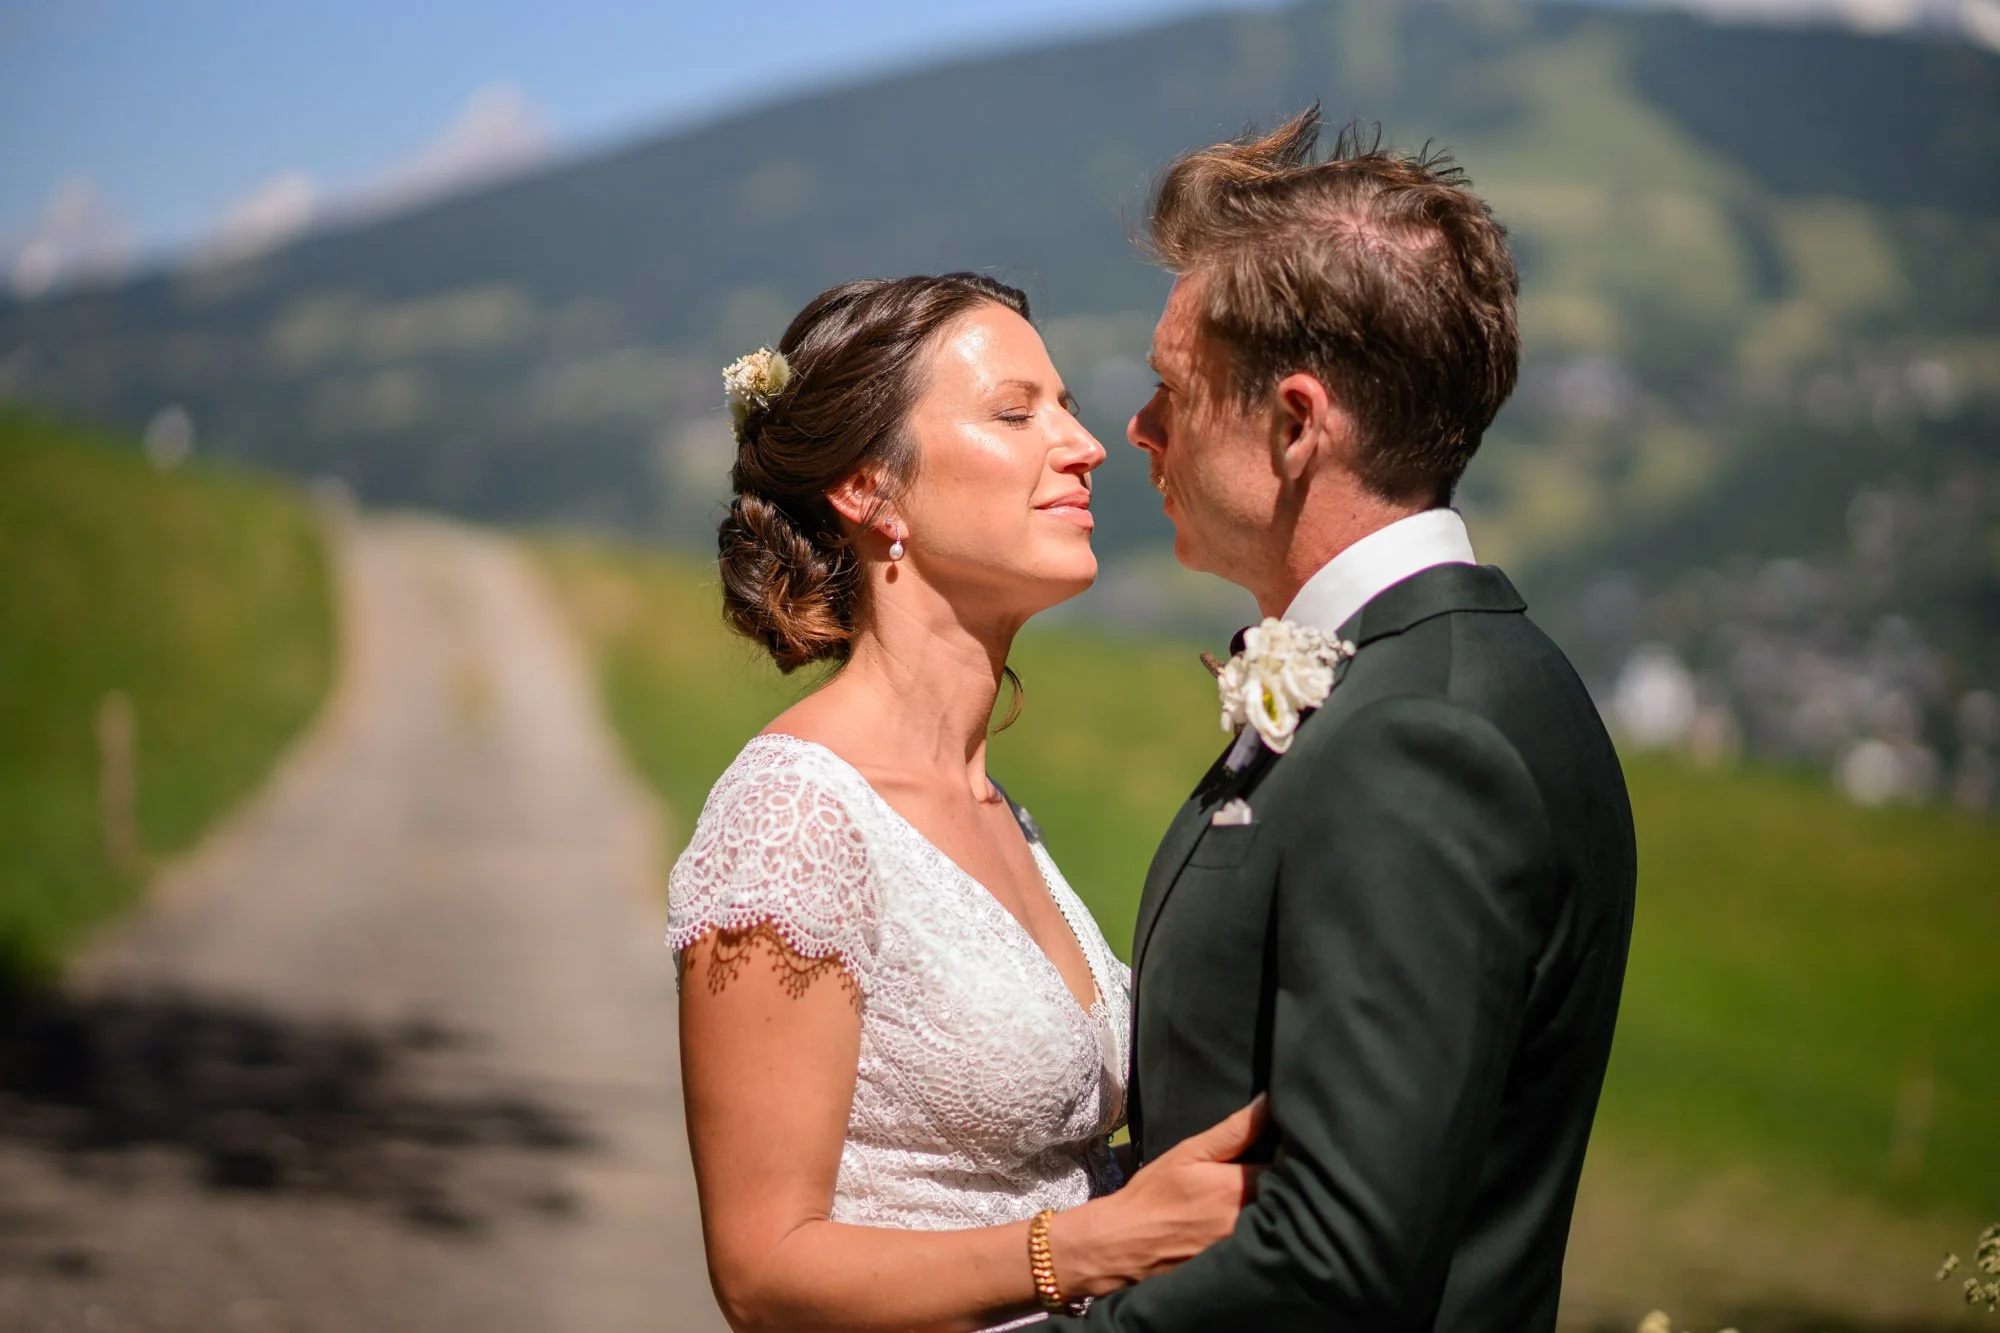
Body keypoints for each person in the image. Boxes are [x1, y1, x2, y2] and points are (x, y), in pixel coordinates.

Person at [1048, 109, 1638, 1331]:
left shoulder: (1425, 738)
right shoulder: (1428, 681)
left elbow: (1333, 1260)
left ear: (1297, 423)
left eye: (1169, 389)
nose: (1136, 432)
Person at [668, 272, 1262, 1333]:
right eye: (1013, 412)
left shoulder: (997, 810)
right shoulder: (793, 819)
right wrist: (1089, 1245)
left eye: (1067, 407)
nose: (1083, 445)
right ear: (867, 489)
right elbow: (762, 1274)